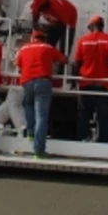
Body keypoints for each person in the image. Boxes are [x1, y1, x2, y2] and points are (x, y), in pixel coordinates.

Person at [72, 15, 108, 142]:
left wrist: (75, 80)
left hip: (85, 84)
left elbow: (77, 63)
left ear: (92, 26)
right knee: (104, 117)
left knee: (83, 116)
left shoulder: (82, 40)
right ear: (102, 26)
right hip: (104, 85)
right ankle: (104, 143)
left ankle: (81, 140)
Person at [15, 30, 68, 158]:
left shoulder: (23, 49)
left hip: (27, 81)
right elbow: (64, 59)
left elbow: (18, 65)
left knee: (28, 105)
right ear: (43, 38)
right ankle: (38, 151)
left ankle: (30, 133)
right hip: (43, 82)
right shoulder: (48, 47)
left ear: (32, 39)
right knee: (41, 117)